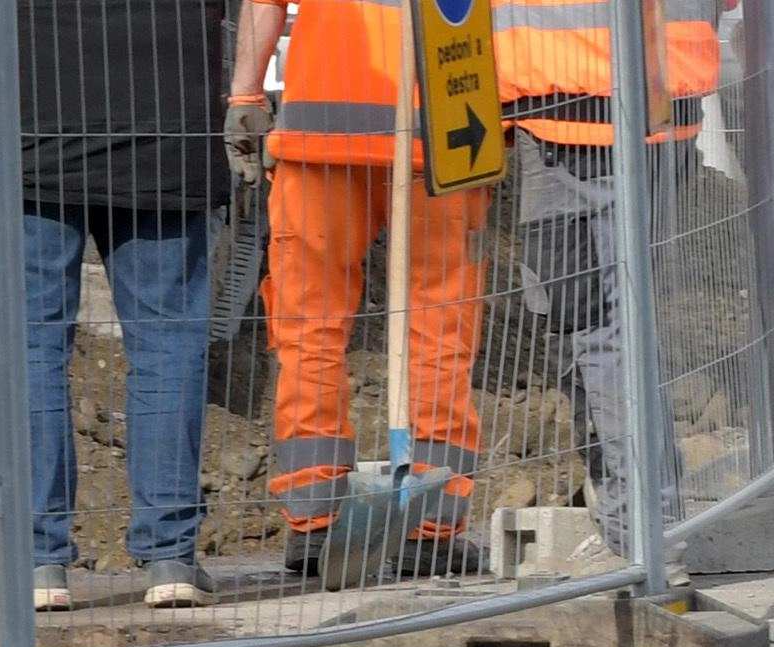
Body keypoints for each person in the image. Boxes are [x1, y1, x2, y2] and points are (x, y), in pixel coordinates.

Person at [0, 0, 230, 610]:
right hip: (164, 105)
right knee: (167, 339)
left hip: (31, 106)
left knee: (29, 343)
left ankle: (36, 561)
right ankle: (170, 557)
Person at [226, 0, 489, 589]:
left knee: (308, 328)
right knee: (440, 326)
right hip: (445, 132)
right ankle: (432, 527)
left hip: (324, 134)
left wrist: (245, 97)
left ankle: (314, 524)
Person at [492, 0, 724, 583]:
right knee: (595, 322)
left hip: (578, 107)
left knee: (600, 330)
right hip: (658, 101)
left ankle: (643, 535)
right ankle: (633, 525)